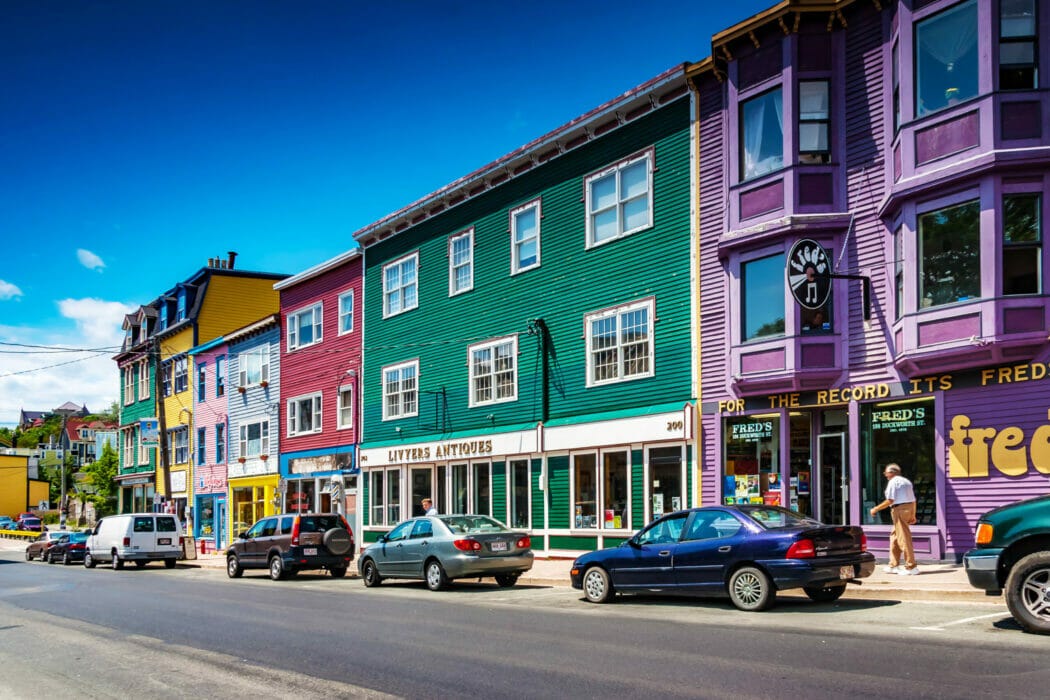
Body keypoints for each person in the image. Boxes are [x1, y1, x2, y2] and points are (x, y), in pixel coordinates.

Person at [869, 463, 918, 575]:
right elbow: (913, 500)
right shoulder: (906, 481)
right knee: (894, 537)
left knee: (903, 538)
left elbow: (890, 500)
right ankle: (893, 565)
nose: (885, 475)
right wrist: (913, 515)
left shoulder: (893, 482)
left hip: (899, 510)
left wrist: (875, 509)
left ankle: (911, 567)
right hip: (908, 508)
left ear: (892, 473)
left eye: (886, 472)